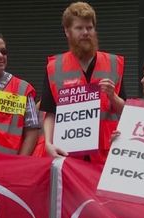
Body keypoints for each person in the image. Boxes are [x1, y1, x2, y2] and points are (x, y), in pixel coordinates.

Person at [40, 2, 126, 163]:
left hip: (106, 154)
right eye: (79, 28)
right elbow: (50, 112)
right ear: (67, 31)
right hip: (67, 154)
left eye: (89, 27)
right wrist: (48, 143)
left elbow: (126, 112)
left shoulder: (114, 63)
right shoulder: (54, 67)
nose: (86, 32)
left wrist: (113, 96)